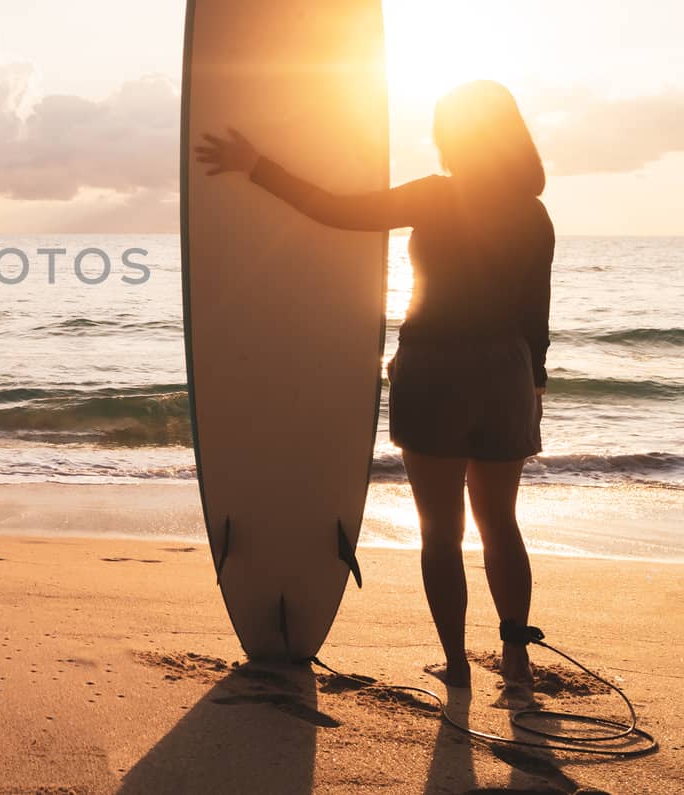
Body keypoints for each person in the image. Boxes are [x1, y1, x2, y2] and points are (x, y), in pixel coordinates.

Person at [194, 79, 553, 705]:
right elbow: (535, 314)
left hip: (436, 368)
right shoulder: (533, 213)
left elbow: (339, 209)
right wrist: (535, 382)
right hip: (506, 374)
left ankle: (457, 668)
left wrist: (258, 168)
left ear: (454, 137)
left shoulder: (438, 197)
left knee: (441, 530)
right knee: (500, 522)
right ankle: (517, 663)